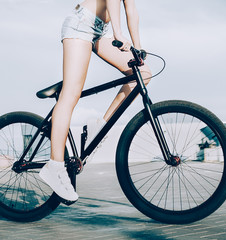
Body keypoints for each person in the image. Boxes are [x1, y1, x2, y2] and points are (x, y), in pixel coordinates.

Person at [39, 0, 151, 204]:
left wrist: (139, 46)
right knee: (71, 94)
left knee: (142, 74)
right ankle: (54, 166)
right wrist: (118, 32)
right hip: (81, 24)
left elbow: (131, 9)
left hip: (100, 31)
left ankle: (97, 129)